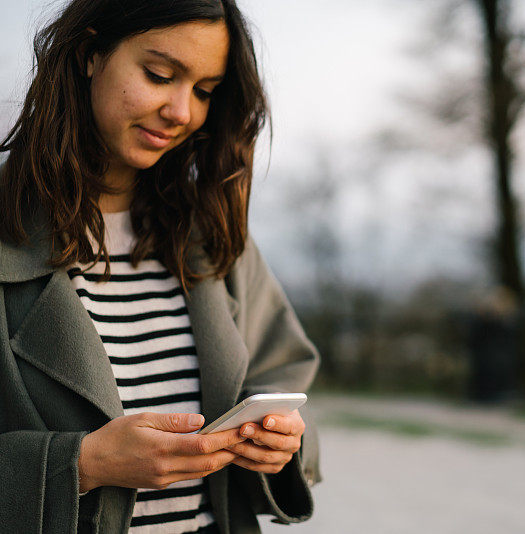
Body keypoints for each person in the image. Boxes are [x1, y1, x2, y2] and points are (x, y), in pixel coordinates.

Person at [0, 1, 320, 532]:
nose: (182, 111)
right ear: (89, 54)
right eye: (159, 75)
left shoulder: (213, 233)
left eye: (203, 91)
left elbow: (284, 384)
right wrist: (83, 465)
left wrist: (282, 441)